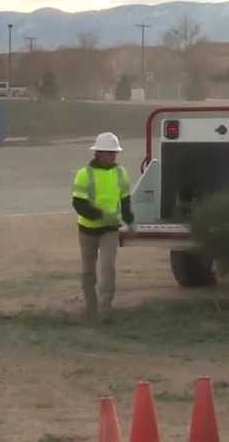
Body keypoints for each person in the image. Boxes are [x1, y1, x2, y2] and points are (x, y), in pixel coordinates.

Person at [71, 132, 134, 323]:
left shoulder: (121, 173)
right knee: (88, 271)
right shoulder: (84, 174)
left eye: (114, 153)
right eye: (109, 152)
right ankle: (91, 309)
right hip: (87, 230)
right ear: (98, 153)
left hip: (110, 230)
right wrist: (99, 214)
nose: (113, 156)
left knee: (108, 269)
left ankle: (104, 312)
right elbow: (78, 204)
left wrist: (130, 220)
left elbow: (125, 201)